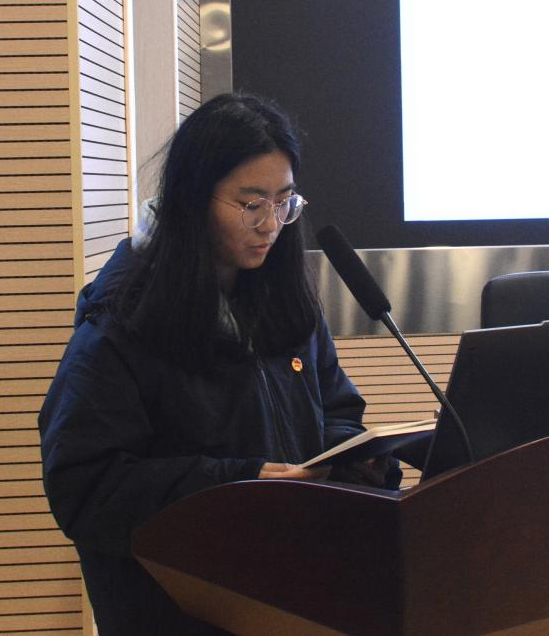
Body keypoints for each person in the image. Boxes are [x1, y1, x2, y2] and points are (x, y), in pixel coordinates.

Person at [39, 93, 394, 633]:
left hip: (288, 594)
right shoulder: (120, 321)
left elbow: (336, 408)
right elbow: (85, 486)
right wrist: (238, 484)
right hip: (180, 609)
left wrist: (356, 461)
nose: (271, 224)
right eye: (252, 204)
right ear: (193, 199)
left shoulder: (282, 296)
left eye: (285, 202)